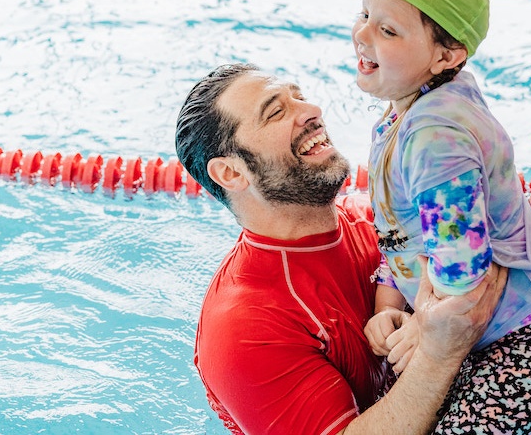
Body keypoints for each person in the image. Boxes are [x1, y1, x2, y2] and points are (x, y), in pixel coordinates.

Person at [351, 0, 531, 433]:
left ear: (446, 56)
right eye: (365, 15)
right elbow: (403, 235)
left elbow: (462, 268)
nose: (362, 35)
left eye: (387, 30)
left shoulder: (437, 138)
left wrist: (421, 330)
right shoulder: (405, 109)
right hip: (495, 325)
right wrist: (388, 307)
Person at [176, 62, 508, 435]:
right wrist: (439, 353)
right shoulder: (244, 329)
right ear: (232, 173)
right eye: (277, 111)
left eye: (299, 96)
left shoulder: (380, 223)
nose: (312, 111)